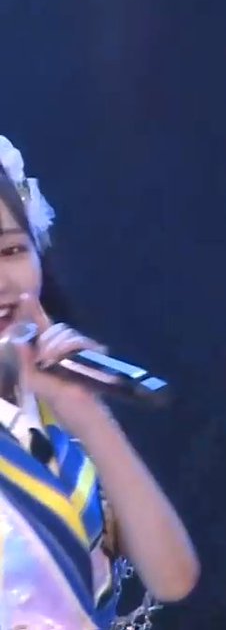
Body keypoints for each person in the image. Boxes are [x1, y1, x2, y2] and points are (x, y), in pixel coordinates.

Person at [0, 135, 198, 628]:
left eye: (11, 250)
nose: (1, 281)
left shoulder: (51, 403)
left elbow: (172, 579)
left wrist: (88, 414)